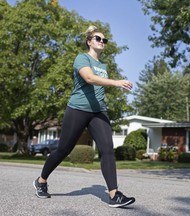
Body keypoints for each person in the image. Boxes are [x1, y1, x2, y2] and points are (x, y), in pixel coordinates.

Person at [33, 25, 135, 208]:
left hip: (98, 111)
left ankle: (114, 194)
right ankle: (41, 180)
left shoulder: (103, 65)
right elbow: (89, 78)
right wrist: (117, 82)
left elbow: (99, 86)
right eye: (98, 39)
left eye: (104, 40)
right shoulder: (82, 58)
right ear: (89, 41)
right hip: (78, 109)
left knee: (107, 149)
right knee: (64, 149)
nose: (102, 42)